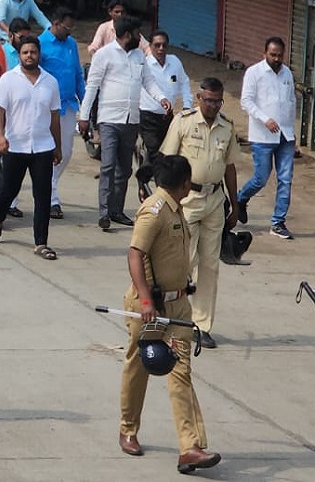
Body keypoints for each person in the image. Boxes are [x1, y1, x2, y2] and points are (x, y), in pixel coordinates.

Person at [118, 155, 221, 474]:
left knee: (180, 372)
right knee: (140, 364)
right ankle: (128, 428)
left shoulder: (176, 209)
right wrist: (147, 302)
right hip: (150, 306)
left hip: (178, 306)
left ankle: (189, 447)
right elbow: (135, 254)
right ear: (184, 183)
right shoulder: (154, 210)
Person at [160, 77, 237, 350]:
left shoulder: (227, 127)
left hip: (215, 200)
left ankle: (202, 326)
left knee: (210, 266)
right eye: (209, 100)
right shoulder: (183, 121)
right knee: (184, 261)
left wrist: (235, 205)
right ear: (198, 98)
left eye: (218, 101)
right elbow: (167, 161)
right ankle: (171, 318)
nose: (214, 105)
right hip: (186, 199)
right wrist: (166, 199)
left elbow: (229, 167)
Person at [80, 16, 170, 231]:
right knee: (108, 165)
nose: (141, 38)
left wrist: (161, 98)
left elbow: (148, 81)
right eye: (138, 34)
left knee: (125, 169)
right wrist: (84, 117)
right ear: (127, 35)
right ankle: (103, 213)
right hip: (109, 119)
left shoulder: (139, 55)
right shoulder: (104, 55)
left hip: (131, 120)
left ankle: (116, 211)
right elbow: (92, 86)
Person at [0, 36, 63, 259]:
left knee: (43, 195)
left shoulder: (50, 82)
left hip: (42, 147)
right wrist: (0, 136)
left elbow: (55, 117)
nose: (29, 56)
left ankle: (41, 243)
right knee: (9, 190)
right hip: (15, 145)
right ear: (19, 55)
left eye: (33, 52)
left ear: (39, 54)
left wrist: (57, 147)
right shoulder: (9, 80)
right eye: (25, 52)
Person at [236, 36, 296, 240]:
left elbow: (291, 101)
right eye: (273, 55)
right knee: (261, 178)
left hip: (286, 136)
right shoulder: (254, 73)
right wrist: (265, 119)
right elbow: (246, 101)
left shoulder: (287, 73)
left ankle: (278, 222)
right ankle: (240, 199)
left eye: (280, 55)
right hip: (262, 135)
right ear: (265, 54)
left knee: (285, 179)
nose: (277, 59)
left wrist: (292, 131)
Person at [37, 8, 86, 219]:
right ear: (55, 23)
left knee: (65, 153)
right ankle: (51, 199)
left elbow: (77, 74)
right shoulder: (40, 44)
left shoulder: (71, 44)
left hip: (67, 106)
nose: (69, 31)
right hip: (46, 108)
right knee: (48, 152)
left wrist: (85, 102)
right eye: (66, 27)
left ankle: (49, 186)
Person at [141, 30, 192, 167]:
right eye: (157, 45)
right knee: (155, 154)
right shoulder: (144, 65)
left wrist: (187, 105)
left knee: (170, 152)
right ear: (150, 46)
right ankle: (161, 186)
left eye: (164, 45)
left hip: (168, 117)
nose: (161, 49)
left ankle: (145, 176)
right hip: (147, 117)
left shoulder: (175, 62)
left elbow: (184, 83)